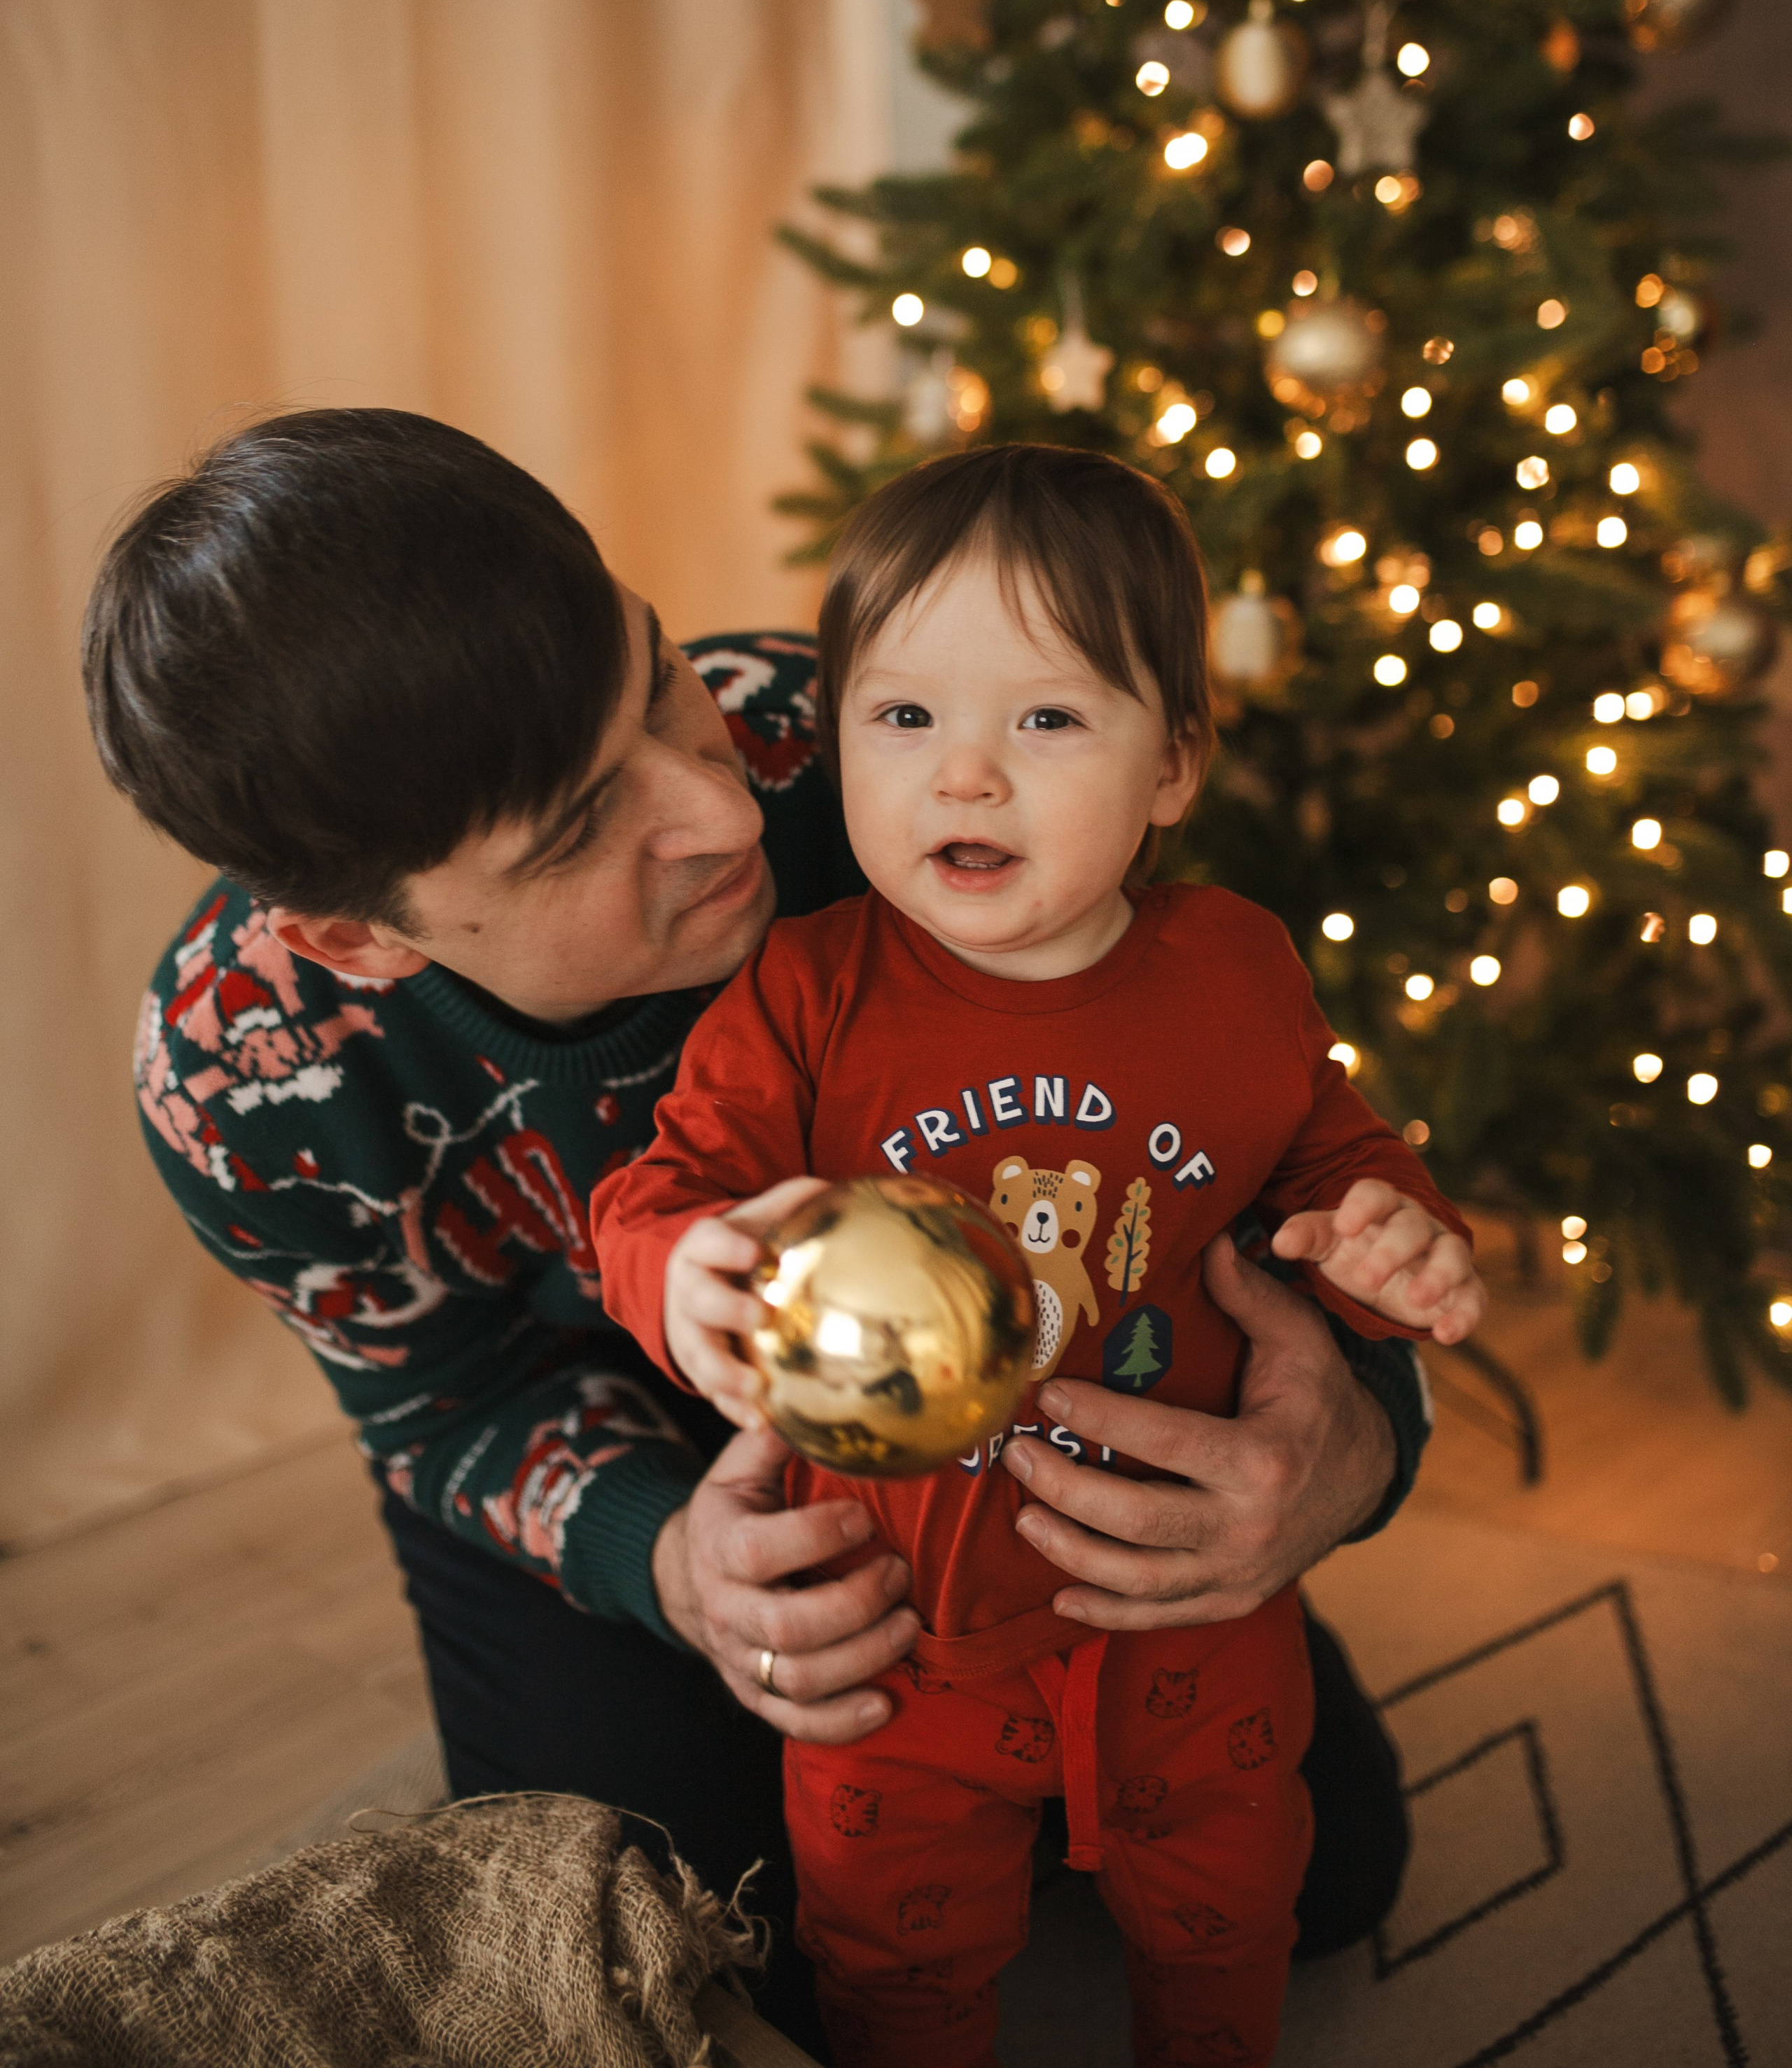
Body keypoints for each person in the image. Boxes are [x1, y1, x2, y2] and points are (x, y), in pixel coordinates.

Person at [85, 409, 1431, 2049]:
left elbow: (1207, 1115)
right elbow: (438, 1400)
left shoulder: (863, 741)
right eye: (579, 826)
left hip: (1010, 1393)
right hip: (597, 1434)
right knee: (693, 1951)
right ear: (359, 940)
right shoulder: (241, 1073)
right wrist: (669, 1559)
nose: (717, 812)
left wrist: (1353, 1437)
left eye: (655, 678)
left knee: (1329, 1868)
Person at [594, 446, 1481, 2068]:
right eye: (904, 716)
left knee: (1226, 1915)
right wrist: (688, 1273)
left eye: (1048, 719)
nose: (965, 777)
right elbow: (661, 1199)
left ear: (1171, 766)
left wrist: (1385, 1241)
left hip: (1189, 1608)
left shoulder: (1231, 967)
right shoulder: (805, 990)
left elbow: (1326, 1162)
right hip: (900, 1629)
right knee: (886, 1950)